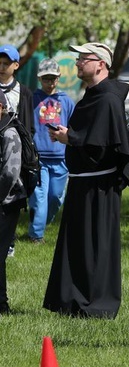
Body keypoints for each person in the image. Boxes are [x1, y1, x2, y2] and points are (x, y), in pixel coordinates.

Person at [43, 42, 129, 319]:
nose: (78, 63)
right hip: (83, 181)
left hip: (99, 186)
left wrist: (69, 137)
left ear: (101, 64)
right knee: (78, 243)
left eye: (84, 58)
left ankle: (96, 304)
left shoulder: (106, 99)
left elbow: (103, 145)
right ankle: (72, 300)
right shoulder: (94, 95)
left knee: (96, 244)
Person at [27, 59, 75, 244]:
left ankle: (40, 223)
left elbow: (74, 128)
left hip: (61, 158)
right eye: (46, 78)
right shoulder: (32, 99)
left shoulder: (67, 101)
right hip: (38, 158)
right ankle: (36, 236)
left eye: (53, 78)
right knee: (39, 197)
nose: (50, 82)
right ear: (40, 79)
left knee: (55, 197)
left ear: (59, 78)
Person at [0, 44, 34, 258]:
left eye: (6, 63)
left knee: (12, 193)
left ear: (16, 65)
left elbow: (29, 127)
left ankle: (9, 240)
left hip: (16, 151)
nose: (2, 67)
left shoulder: (25, 92)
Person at [0, 90, 26, 315]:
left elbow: (10, 173)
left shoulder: (9, 134)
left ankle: (2, 304)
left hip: (7, 202)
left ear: (1, 107)